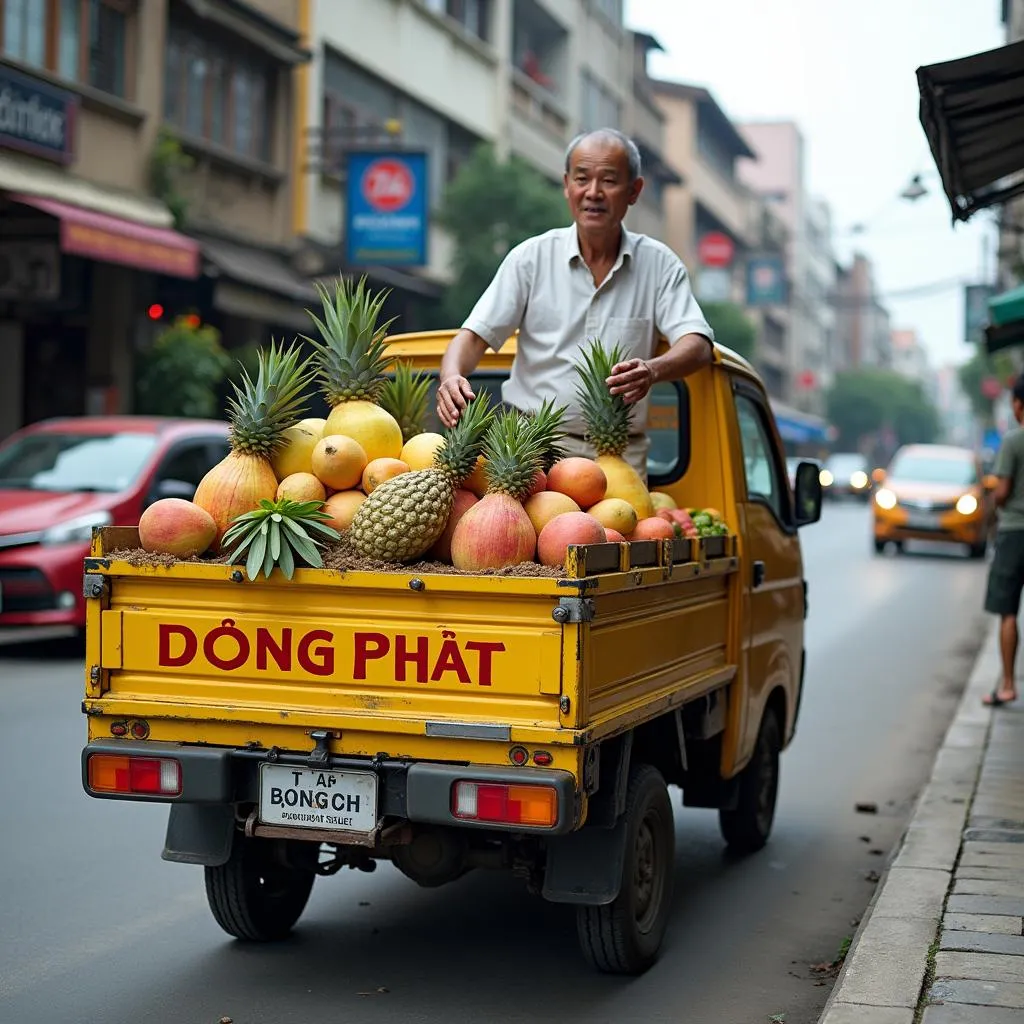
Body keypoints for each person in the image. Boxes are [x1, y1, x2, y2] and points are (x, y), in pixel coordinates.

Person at [436, 127, 715, 479]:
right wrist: (450, 377)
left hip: (620, 456)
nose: (593, 192)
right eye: (582, 179)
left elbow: (698, 343)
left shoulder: (660, 265)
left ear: (634, 191)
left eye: (609, 180)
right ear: (567, 185)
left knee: (621, 535)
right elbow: (474, 337)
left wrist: (653, 370)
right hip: (530, 448)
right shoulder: (530, 258)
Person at [982, 375, 1024, 706]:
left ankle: (1008, 684)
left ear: (1018, 405)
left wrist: (994, 499)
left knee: (1008, 612)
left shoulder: (1013, 441)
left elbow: (1003, 490)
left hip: (1013, 534)